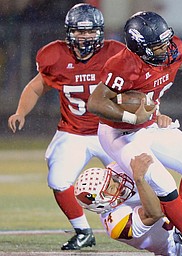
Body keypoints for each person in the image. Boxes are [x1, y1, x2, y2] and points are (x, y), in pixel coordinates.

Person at [87, 11, 182, 256]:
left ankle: (177, 228)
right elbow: (95, 102)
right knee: (162, 181)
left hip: (149, 125)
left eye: (166, 41)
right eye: (157, 46)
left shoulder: (171, 48)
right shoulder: (123, 64)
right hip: (120, 133)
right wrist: (132, 117)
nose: (166, 49)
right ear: (139, 48)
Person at [7, 3, 126, 250]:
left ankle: (154, 225)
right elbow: (36, 86)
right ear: (69, 32)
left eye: (90, 31)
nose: (84, 37)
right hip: (73, 132)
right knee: (58, 179)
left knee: (136, 178)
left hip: (111, 130)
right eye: (79, 32)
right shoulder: (55, 56)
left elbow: (136, 86)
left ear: (100, 32)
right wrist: (21, 112)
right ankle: (83, 231)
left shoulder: (115, 53)